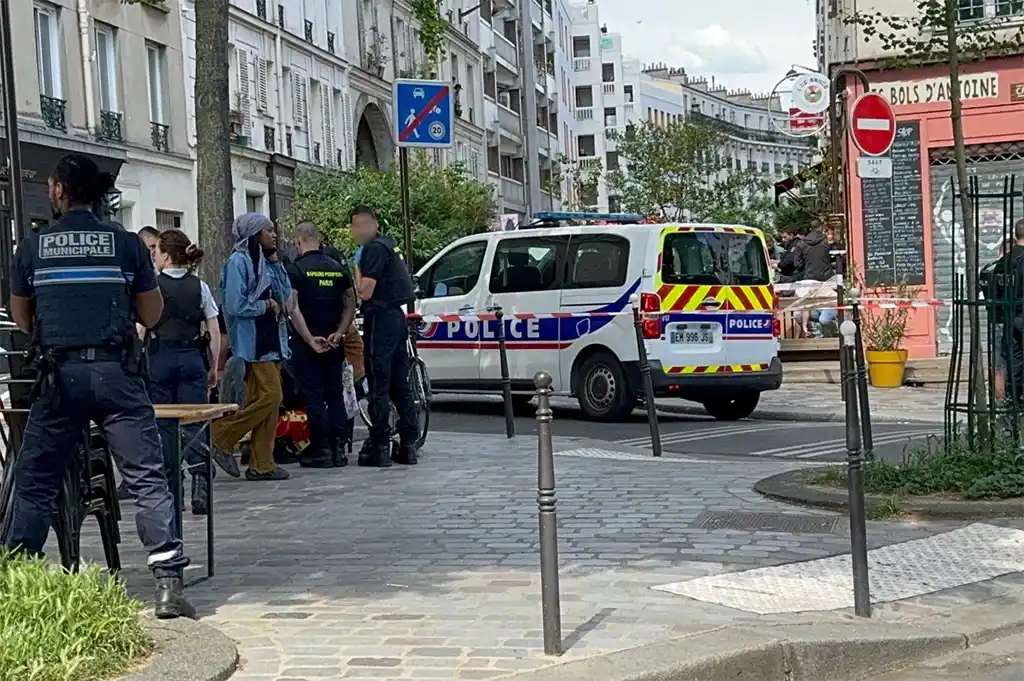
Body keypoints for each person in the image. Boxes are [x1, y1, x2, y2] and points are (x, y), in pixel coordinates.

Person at [5, 153, 193, 618]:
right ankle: (168, 584)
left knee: (36, 482)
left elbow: (22, 317)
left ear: (60, 192)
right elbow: (151, 314)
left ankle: (15, 580)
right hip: (117, 378)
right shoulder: (126, 245)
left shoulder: (32, 247)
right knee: (147, 476)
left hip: (59, 378)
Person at [211, 213, 325, 481]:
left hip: (274, 341)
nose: (274, 235)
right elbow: (234, 305)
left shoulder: (267, 262)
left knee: (266, 403)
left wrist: (276, 264)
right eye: (268, 230)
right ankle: (221, 435)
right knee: (272, 396)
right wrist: (265, 306)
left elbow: (287, 301)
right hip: (254, 343)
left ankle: (262, 462)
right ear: (254, 234)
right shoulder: (238, 262)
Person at [149, 229, 236, 516]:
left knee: (164, 424)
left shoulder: (154, 285)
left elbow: (141, 326)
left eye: (157, 250)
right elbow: (213, 328)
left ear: (165, 254)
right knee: (195, 420)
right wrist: (214, 366)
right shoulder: (199, 287)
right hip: (190, 357)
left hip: (160, 358)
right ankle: (200, 478)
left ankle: (173, 484)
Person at [350, 205, 418, 467]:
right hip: (396, 317)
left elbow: (365, 292)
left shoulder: (374, 250)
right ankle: (409, 442)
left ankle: (380, 445)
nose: (357, 233)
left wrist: (357, 268)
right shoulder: (389, 245)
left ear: (364, 225)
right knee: (400, 382)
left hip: (380, 317)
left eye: (358, 227)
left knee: (379, 382)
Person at [285, 222, 357, 467]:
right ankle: (339, 449)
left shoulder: (296, 270)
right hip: (334, 341)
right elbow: (351, 304)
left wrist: (308, 338)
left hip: (308, 343)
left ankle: (322, 449)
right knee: (335, 392)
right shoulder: (339, 269)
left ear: (298, 242)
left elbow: (292, 308)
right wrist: (339, 332)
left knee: (313, 395)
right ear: (319, 240)